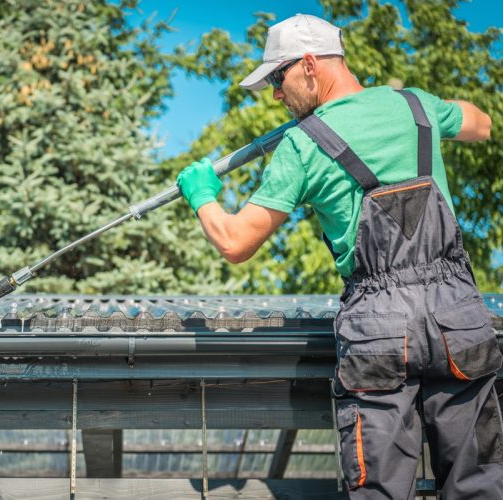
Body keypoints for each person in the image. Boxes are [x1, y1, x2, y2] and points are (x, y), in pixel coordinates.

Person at [176, 13, 502, 499]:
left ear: (309, 64)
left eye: (277, 78)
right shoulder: (417, 106)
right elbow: (483, 123)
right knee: (483, 485)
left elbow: (235, 242)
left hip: (380, 329)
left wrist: (201, 195)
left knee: (379, 492)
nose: (275, 95)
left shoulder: (303, 145)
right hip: (458, 316)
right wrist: (431, 114)